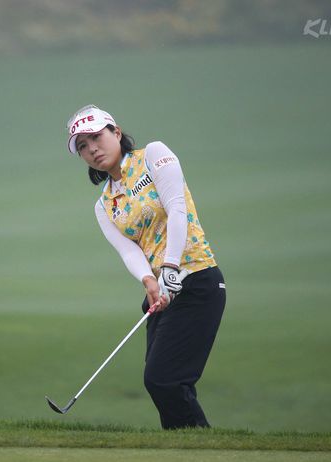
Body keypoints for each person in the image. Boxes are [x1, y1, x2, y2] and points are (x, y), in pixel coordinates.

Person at [65, 104, 226, 429]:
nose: (92, 148)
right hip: (162, 292)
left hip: (196, 280)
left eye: (96, 137)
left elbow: (177, 207)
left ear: (116, 133)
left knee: (164, 380)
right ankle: (186, 446)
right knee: (164, 383)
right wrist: (148, 281)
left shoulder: (154, 155)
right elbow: (129, 251)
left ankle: (198, 446)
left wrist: (169, 266)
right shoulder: (104, 205)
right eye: (82, 146)